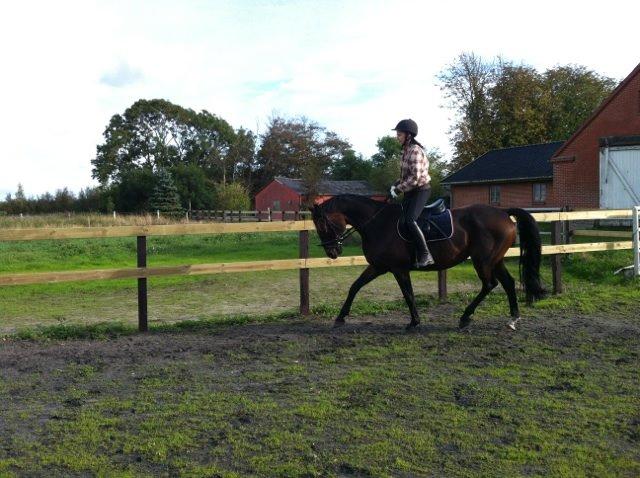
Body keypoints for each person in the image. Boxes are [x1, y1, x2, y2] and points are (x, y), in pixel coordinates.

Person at [389, 119, 435, 267]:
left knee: (410, 220)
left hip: (421, 191)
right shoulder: (406, 151)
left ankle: (426, 255)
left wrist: (398, 189)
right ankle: (410, 254)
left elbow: (415, 179)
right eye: (397, 134)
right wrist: (395, 184)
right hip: (411, 192)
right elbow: (406, 176)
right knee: (401, 221)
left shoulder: (415, 151)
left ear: (408, 135)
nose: (397, 136)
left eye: (399, 134)